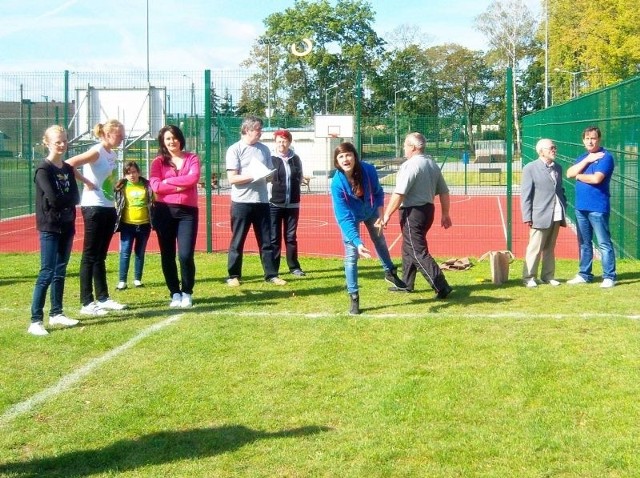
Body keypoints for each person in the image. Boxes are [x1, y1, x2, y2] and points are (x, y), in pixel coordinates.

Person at [330, 142, 406, 315]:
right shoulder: (336, 184)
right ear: (337, 162)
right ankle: (354, 296)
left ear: (355, 157)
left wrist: (381, 215)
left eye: (348, 155)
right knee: (351, 255)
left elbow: (378, 192)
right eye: (341, 157)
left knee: (379, 239)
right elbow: (344, 218)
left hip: (371, 210)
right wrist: (357, 242)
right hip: (351, 215)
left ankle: (390, 272)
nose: (345, 159)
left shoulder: (369, 170)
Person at [379, 132, 452, 299]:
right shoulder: (431, 164)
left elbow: (399, 193)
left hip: (413, 212)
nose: (403, 148)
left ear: (412, 147)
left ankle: (441, 286)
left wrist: (387, 215)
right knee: (408, 247)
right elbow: (444, 191)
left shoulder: (410, 165)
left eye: (405, 145)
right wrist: (445, 214)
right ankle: (406, 283)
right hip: (427, 211)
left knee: (418, 251)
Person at [66, 119, 127, 316]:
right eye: (119, 135)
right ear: (107, 135)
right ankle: (86, 302)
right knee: (90, 255)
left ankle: (103, 297)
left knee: (101, 255)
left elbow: (105, 177)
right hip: (93, 207)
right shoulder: (96, 150)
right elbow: (69, 164)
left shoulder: (112, 153)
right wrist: (86, 182)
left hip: (108, 206)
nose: (122, 138)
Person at [28, 125, 81, 336]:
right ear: (47, 143)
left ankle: (57, 313)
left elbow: (75, 197)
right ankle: (35, 320)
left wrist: (64, 202)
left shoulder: (67, 169)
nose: (62, 145)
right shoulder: (44, 169)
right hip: (50, 226)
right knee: (47, 272)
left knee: (60, 270)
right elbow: (53, 198)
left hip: (67, 224)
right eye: (57, 141)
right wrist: (63, 201)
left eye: (64, 141)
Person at [225, 115, 287, 287]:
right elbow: (232, 178)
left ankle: (271, 274)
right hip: (241, 202)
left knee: (267, 241)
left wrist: (269, 176)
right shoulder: (234, 149)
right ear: (247, 130)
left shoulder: (264, 150)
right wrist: (253, 175)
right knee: (238, 240)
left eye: (260, 129)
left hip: (262, 202)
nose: (260, 132)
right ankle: (233, 275)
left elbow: (268, 176)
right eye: (257, 129)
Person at [149, 125, 200, 307]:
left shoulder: (192, 158)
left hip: (187, 212)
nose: (172, 142)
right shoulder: (157, 162)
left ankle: (187, 291)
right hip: (164, 211)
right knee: (167, 254)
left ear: (180, 139)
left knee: (185, 255)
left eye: (175, 138)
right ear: (163, 142)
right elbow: (155, 186)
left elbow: (193, 179)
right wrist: (179, 185)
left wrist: (168, 182)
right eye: (168, 139)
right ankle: (175, 293)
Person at [566, 126, 616, 288]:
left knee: (603, 243)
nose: (590, 141)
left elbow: (596, 179)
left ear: (599, 139)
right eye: (587, 138)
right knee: (584, 243)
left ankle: (609, 276)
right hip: (581, 208)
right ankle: (584, 274)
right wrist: (587, 160)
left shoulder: (606, 157)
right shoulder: (582, 157)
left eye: (593, 138)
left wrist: (579, 176)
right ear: (583, 140)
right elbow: (569, 173)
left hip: (598, 208)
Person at [520, 138, 567, 287]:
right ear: (541, 151)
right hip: (539, 215)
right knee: (535, 247)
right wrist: (527, 215)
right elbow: (525, 194)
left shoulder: (558, 168)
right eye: (551, 148)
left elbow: (560, 190)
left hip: (557, 214)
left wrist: (563, 203)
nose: (554, 150)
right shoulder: (530, 168)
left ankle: (548, 276)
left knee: (550, 247)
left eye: (555, 147)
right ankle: (529, 277)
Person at [269, 129, 306, 277]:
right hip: (274, 204)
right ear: (275, 142)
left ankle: (294, 267)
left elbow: (300, 176)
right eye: (279, 141)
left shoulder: (296, 158)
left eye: (284, 141)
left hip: (293, 204)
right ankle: (273, 269)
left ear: (289, 142)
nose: (281, 144)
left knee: (291, 237)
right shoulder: (270, 158)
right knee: (274, 238)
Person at [114, 161, 154, 291]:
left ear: (139, 172)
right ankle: (122, 281)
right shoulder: (121, 187)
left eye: (134, 172)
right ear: (125, 174)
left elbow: (154, 200)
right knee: (125, 252)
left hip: (144, 225)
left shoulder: (147, 185)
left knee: (139, 252)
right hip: (127, 225)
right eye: (128, 173)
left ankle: (137, 279)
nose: (132, 175)